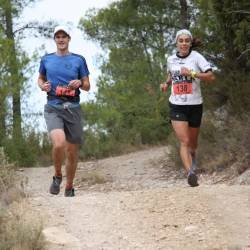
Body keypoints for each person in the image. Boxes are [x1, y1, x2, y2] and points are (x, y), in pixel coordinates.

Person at [37, 25, 90, 197]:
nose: (61, 39)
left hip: (73, 108)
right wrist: (42, 86)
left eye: (64, 36)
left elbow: (87, 85)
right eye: (58, 37)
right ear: (54, 40)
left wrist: (80, 84)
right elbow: (40, 78)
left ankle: (69, 186)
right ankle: (58, 175)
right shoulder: (46, 60)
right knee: (59, 143)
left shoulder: (78, 60)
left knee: (72, 151)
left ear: (69, 39)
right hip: (53, 106)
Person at [160, 29, 215, 187]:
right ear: (176, 43)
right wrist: (166, 84)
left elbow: (211, 76)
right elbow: (171, 75)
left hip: (195, 104)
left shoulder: (197, 57)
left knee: (192, 143)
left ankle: (193, 158)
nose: (184, 43)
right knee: (184, 141)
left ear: (190, 43)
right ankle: (190, 173)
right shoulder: (171, 59)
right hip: (177, 105)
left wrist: (192, 73)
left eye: (186, 41)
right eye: (181, 41)